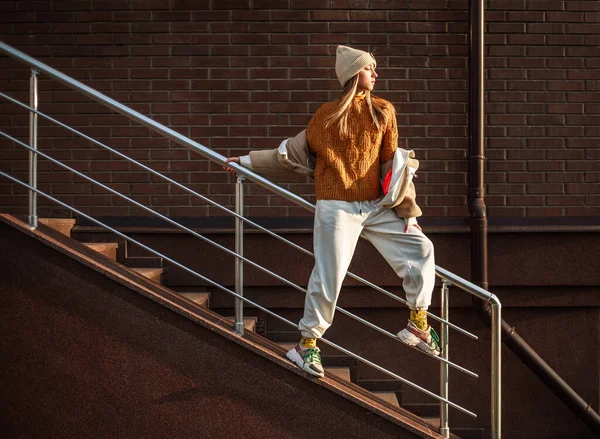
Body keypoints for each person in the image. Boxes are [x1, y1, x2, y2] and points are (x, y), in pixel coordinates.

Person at [225, 45, 439, 378]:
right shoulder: (325, 117)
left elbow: (394, 168)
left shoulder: (384, 111)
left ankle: (418, 323)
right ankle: (306, 345)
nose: (376, 74)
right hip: (336, 207)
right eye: (370, 69)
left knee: (422, 248)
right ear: (355, 73)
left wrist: (408, 216)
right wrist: (247, 162)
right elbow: (290, 154)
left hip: (375, 206)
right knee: (330, 276)